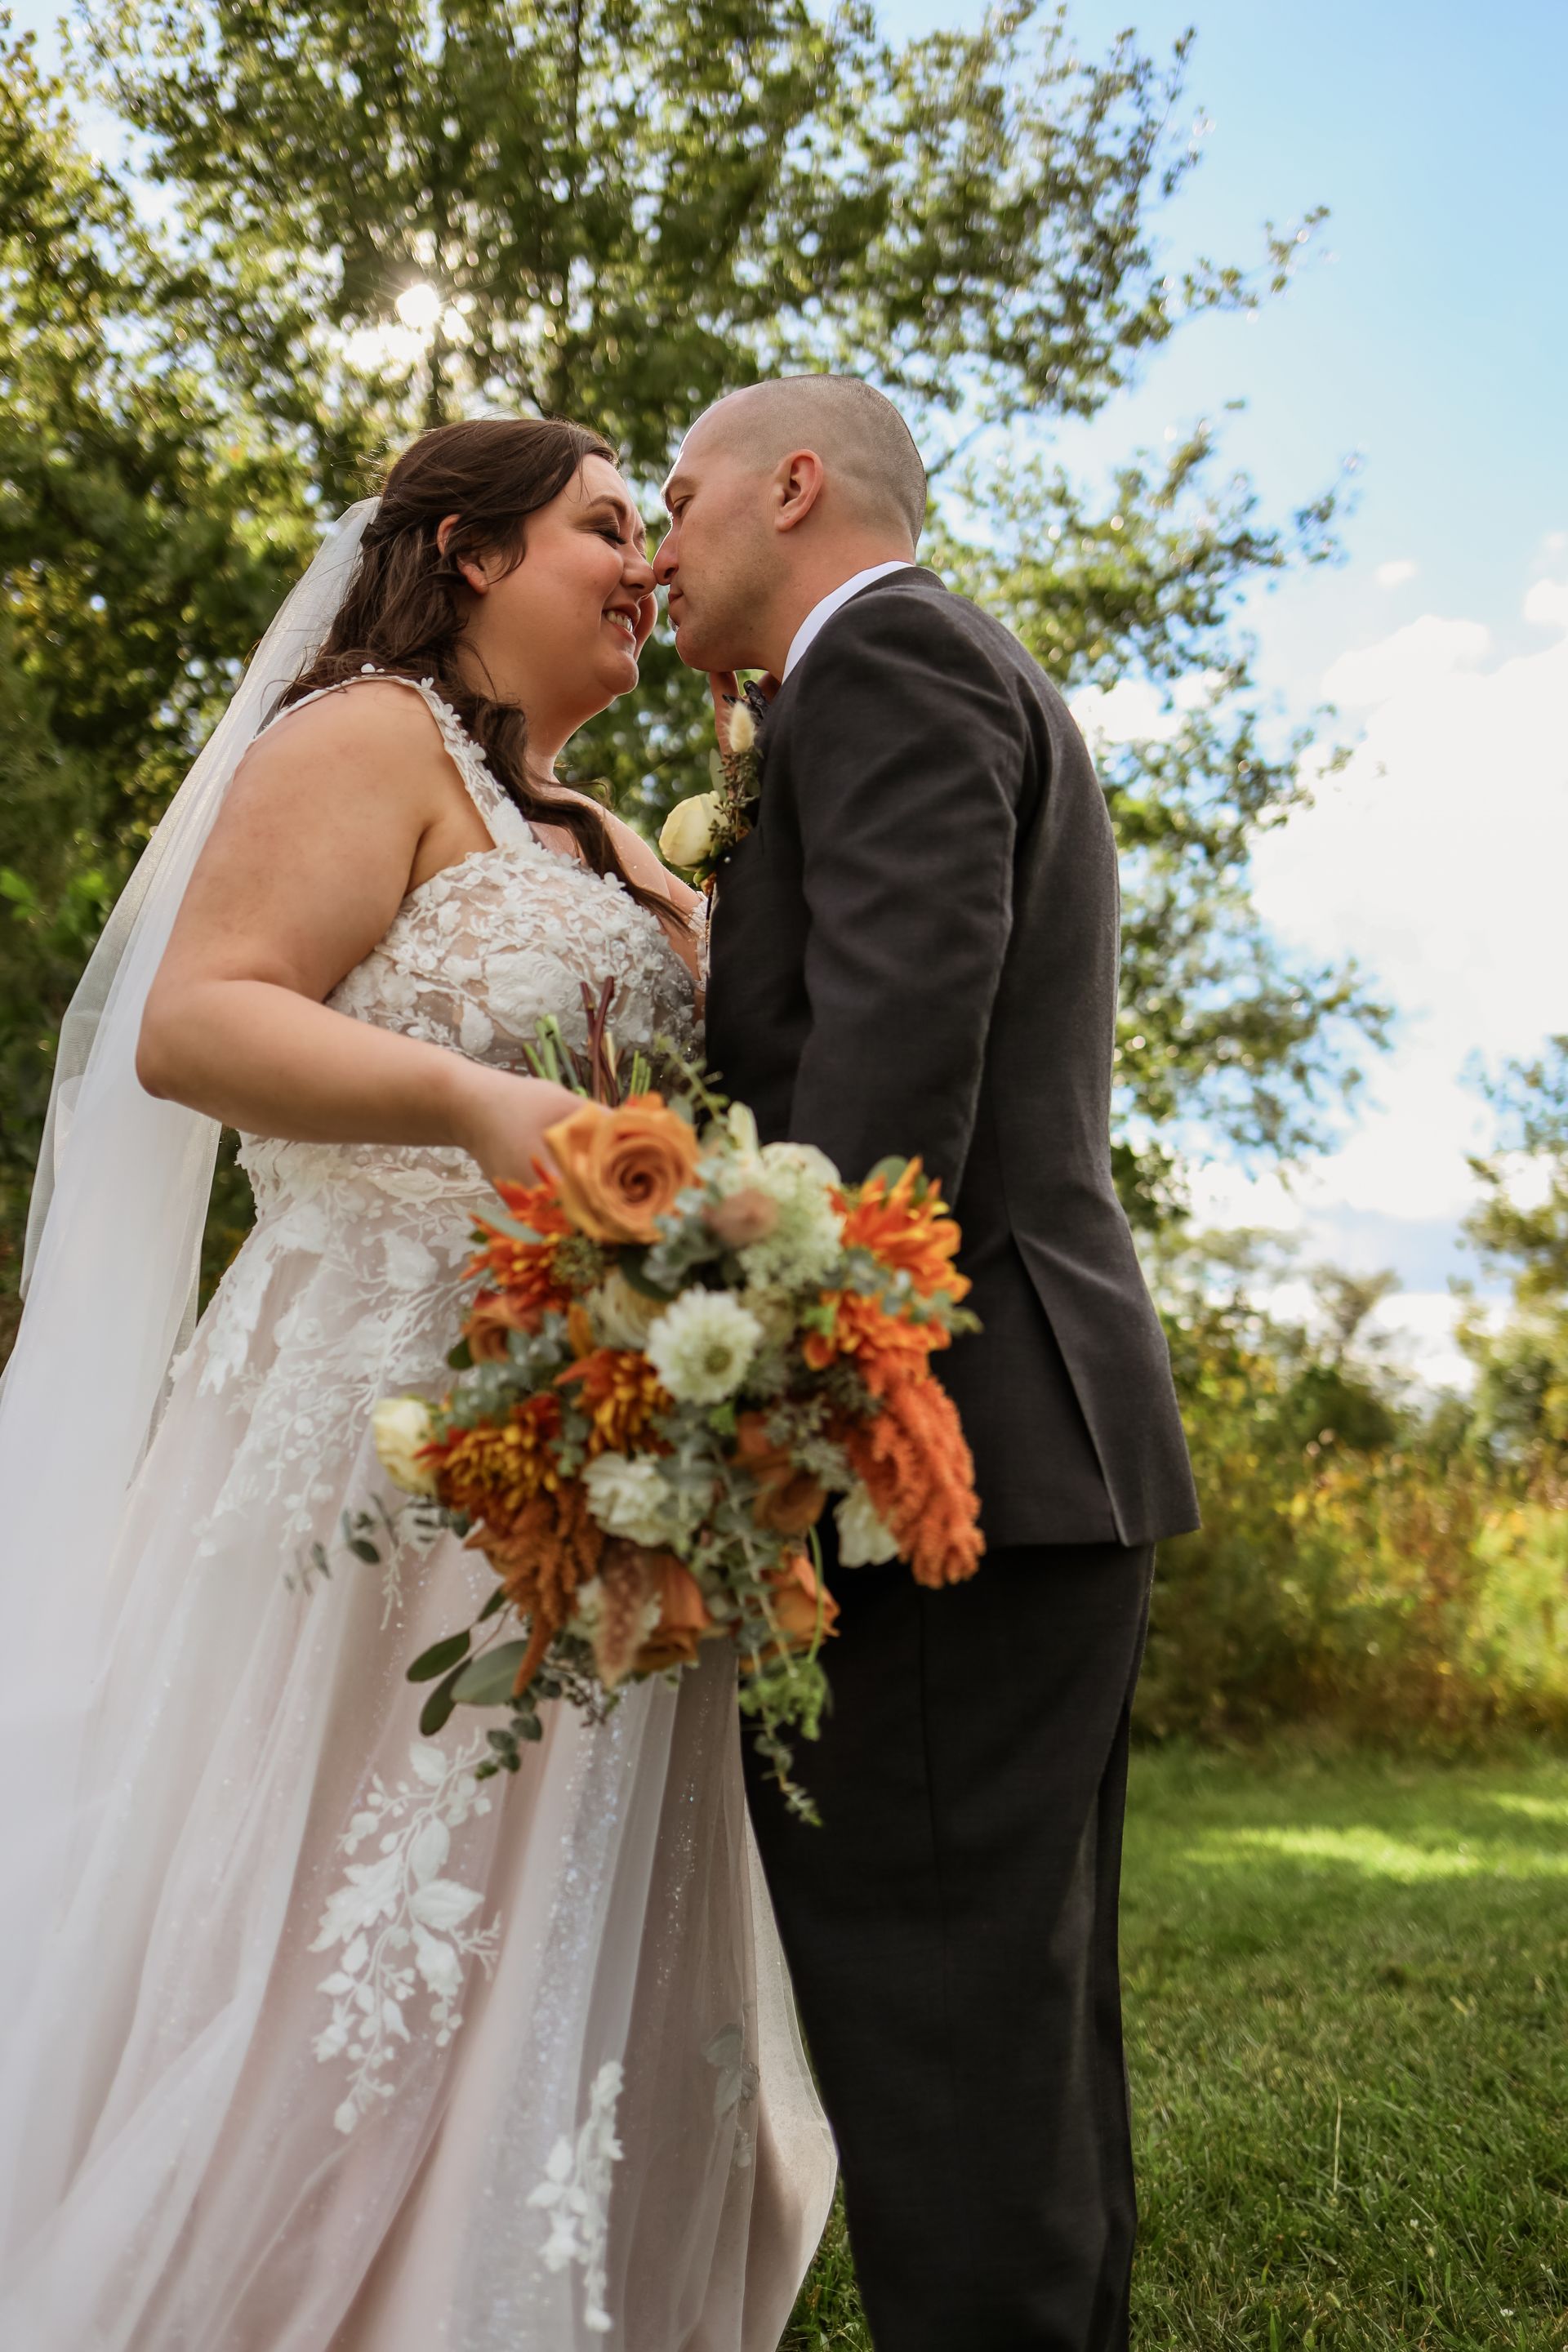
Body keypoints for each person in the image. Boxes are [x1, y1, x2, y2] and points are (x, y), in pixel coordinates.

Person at [0, 416, 834, 2350]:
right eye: (605, 526)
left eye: (654, 531)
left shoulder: (616, 838)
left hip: (590, 1434)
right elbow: (199, 1023)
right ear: (467, 550)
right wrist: (471, 1097)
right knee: (343, 1896)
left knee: (554, 1890)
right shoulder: (363, 736)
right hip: (364, 1418)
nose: (642, 562)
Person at [655, 373, 1200, 2352]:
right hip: (1040, 1441)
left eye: (684, 491)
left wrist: (767, 1418)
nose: (658, 534)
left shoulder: (881, 661)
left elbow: (894, 1083)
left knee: (940, 2028)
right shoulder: (939, 669)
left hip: (941, 1454)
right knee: (1009, 2025)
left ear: (793, 486)